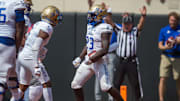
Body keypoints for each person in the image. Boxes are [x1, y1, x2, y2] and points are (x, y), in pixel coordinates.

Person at [71, 4, 123, 101]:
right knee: (75, 84)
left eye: (93, 15)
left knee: (105, 87)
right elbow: (88, 44)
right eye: (90, 15)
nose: (90, 17)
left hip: (98, 61)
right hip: (88, 61)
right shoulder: (91, 27)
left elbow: (105, 49)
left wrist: (92, 59)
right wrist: (80, 57)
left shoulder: (104, 27)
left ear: (99, 16)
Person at [17, 5, 63, 100]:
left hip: (23, 56)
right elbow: (36, 46)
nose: (57, 19)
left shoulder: (38, 24)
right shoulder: (47, 27)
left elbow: (29, 40)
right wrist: (36, 65)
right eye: (56, 17)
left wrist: (42, 50)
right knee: (46, 83)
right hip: (30, 57)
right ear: (51, 17)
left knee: (23, 87)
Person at [107, 6, 146, 101]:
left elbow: (140, 25)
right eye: (125, 24)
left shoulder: (134, 32)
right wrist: (107, 12)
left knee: (135, 84)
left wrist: (143, 16)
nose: (126, 26)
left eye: (128, 24)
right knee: (116, 83)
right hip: (120, 61)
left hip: (131, 61)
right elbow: (109, 21)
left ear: (132, 24)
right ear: (122, 24)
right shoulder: (119, 30)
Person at [0, 0, 25, 100]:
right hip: (7, 41)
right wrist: (17, 48)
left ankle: (16, 97)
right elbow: (20, 28)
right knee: (1, 79)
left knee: (13, 79)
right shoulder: (16, 2)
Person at [158, 12, 180, 101]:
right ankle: (161, 99)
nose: (172, 22)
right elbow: (160, 46)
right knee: (163, 78)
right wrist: (166, 47)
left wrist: (178, 41)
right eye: (171, 20)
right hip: (166, 56)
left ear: (177, 21)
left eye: (174, 20)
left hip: (178, 57)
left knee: (178, 79)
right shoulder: (163, 30)